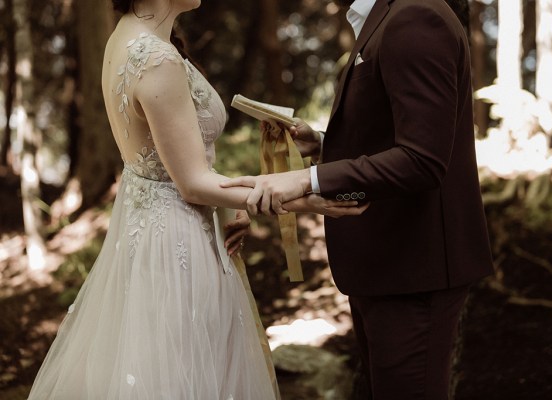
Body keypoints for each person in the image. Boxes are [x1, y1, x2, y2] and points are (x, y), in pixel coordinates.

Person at [27, 0, 367, 399]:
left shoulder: (129, 37)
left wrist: (235, 203)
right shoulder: (157, 59)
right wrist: (301, 197)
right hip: (178, 244)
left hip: (153, 233)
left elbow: (175, 167)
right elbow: (191, 183)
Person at [222, 0, 495, 398]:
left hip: (415, 270)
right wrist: (323, 145)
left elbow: (422, 160)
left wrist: (307, 180)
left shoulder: (416, 17)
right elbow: (393, 131)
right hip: (386, 265)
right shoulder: (388, 14)